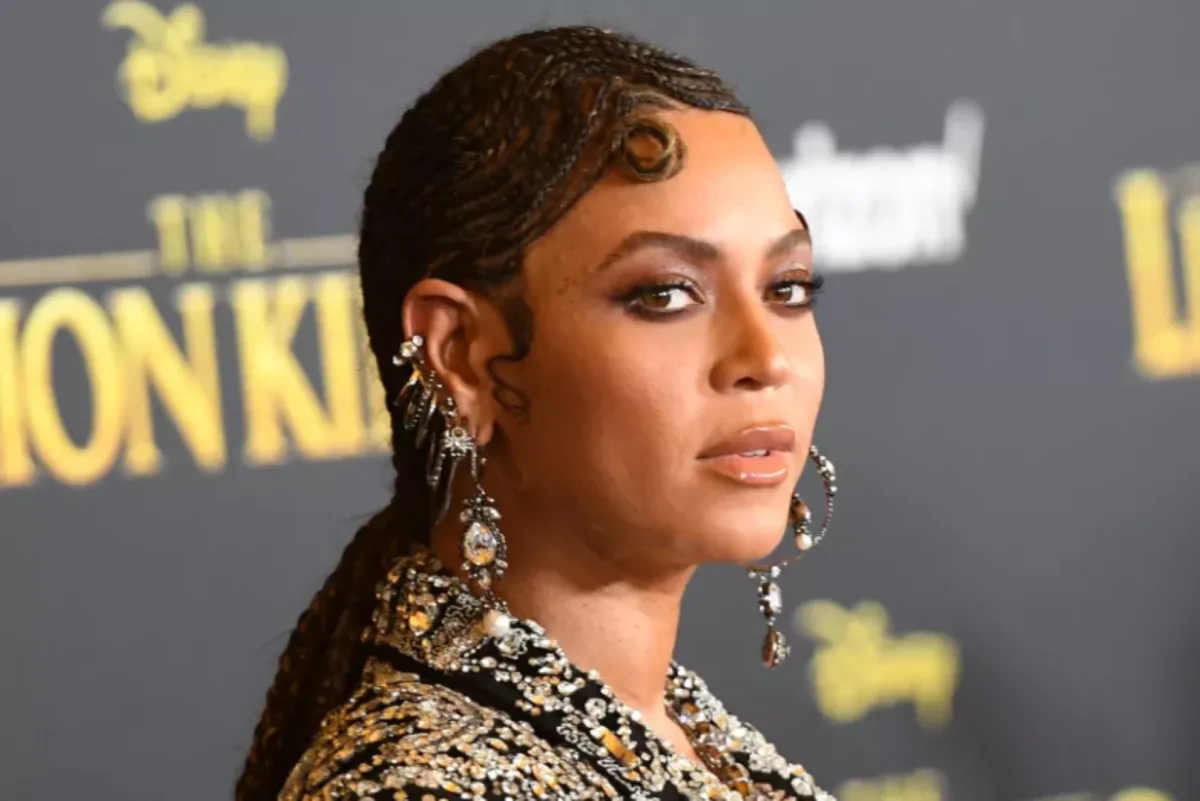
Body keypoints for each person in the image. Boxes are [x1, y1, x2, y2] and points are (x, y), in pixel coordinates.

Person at [237, 25, 839, 801]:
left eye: (787, 287)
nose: (767, 358)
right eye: (664, 294)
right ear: (460, 354)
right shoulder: (417, 789)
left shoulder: (663, 727)